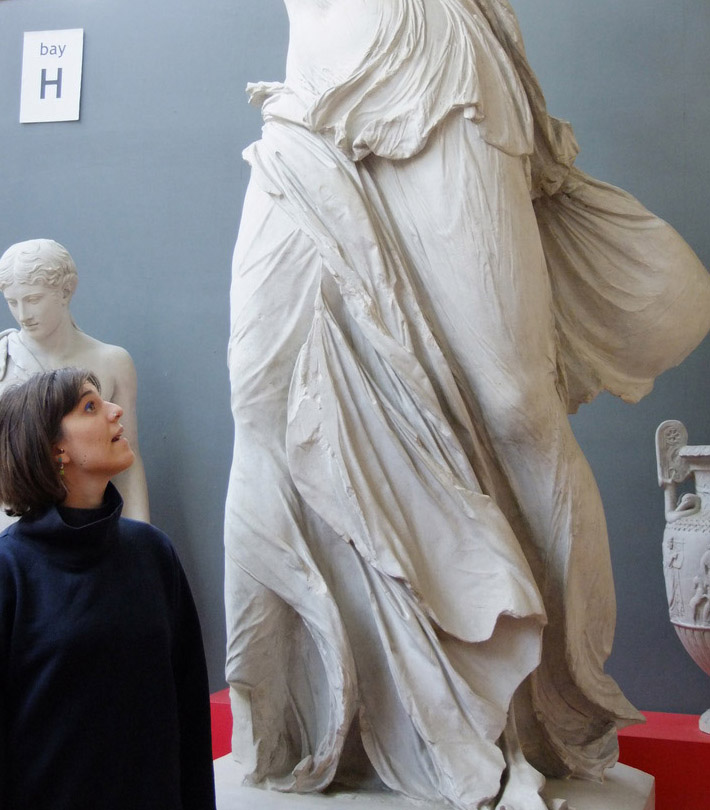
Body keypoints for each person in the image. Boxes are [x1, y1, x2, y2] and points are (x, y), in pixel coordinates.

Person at [224, 2, 710, 809]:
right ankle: (310, 718)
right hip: (310, 106)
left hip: (439, 73)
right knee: (262, 393)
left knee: (516, 405)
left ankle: (551, 714)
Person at [0, 368, 216, 810]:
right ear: (54, 446)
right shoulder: (9, 570)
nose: (116, 411)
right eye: (90, 406)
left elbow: (189, 712)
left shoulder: (153, 553)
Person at [0, 238, 149, 523]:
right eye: (12, 302)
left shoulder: (112, 362)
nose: (23, 315)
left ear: (65, 291)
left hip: (86, 524)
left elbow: (127, 465)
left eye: (33, 299)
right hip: (12, 528)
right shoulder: (3, 360)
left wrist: (141, 537)